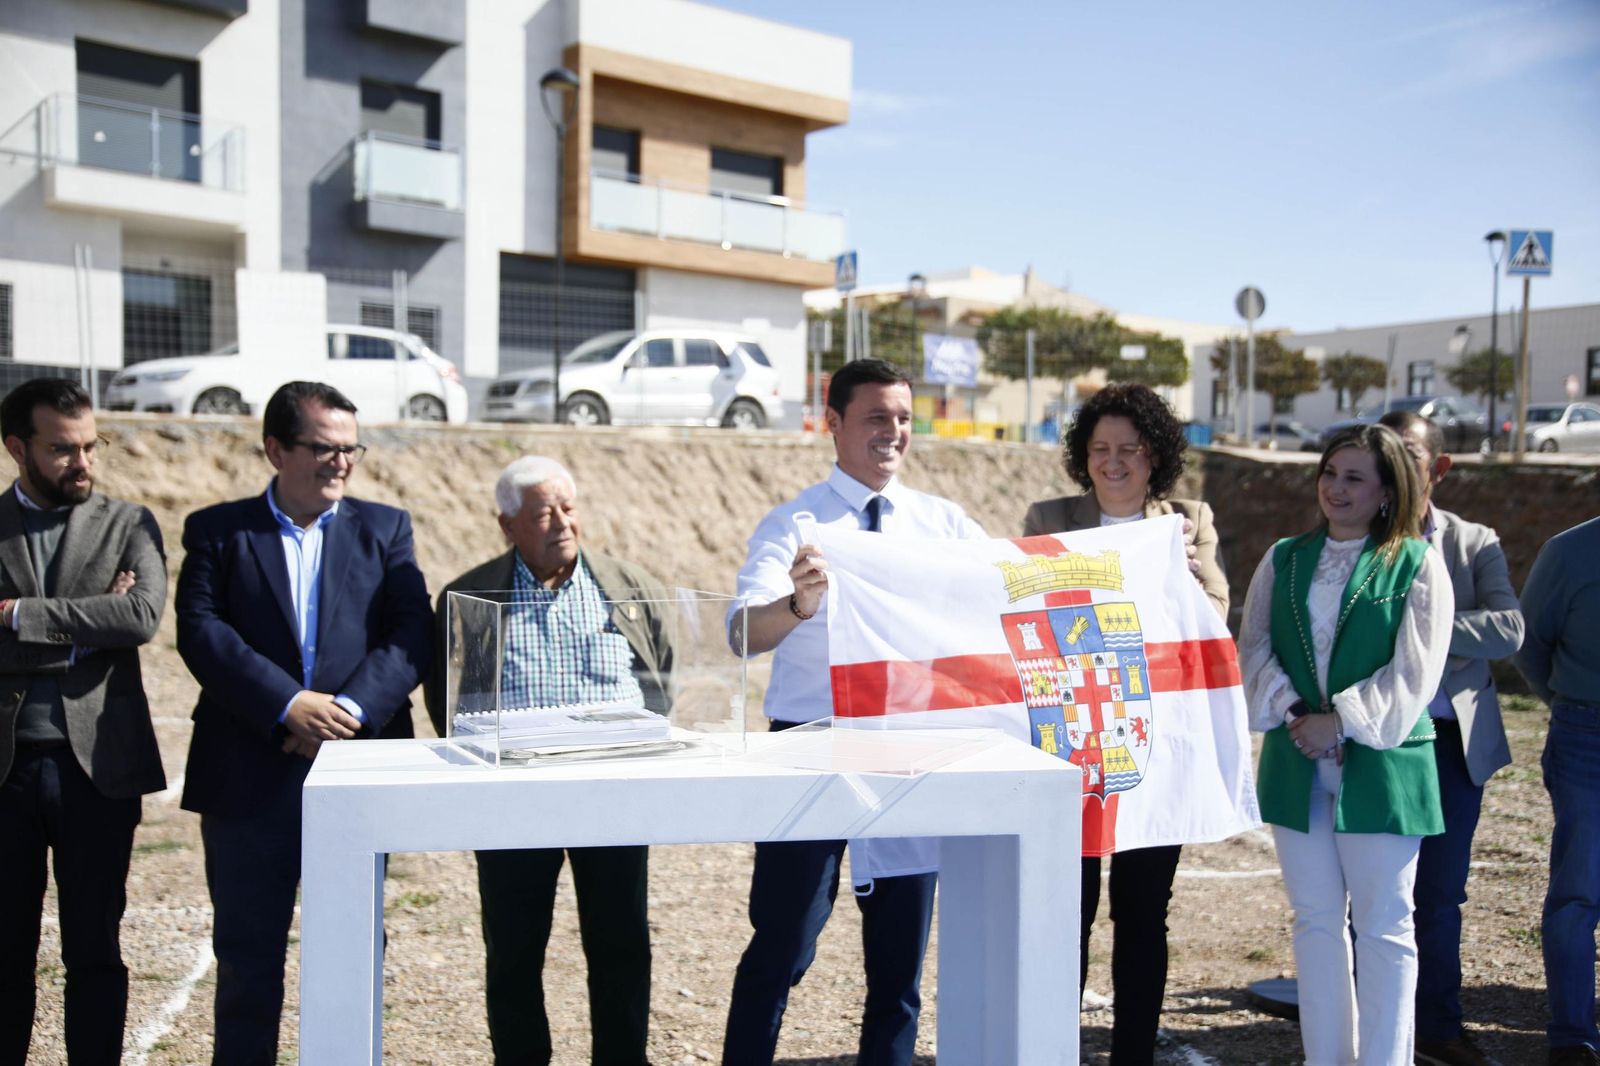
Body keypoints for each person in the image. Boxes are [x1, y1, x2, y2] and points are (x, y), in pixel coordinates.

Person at [721, 358, 985, 1066]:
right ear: (832, 423)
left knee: (899, 965)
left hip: (909, 750)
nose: (892, 431)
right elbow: (742, 632)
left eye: (903, 418)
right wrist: (798, 604)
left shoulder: (944, 524)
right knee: (783, 944)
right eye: (875, 417)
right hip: (810, 747)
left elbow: (1010, 593)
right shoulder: (794, 525)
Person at [176, 381, 431, 1066]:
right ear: (276, 450)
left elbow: (412, 632)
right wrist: (288, 705)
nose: (341, 462)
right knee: (246, 959)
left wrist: (342, 714)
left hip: (355, 771)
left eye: (351, 449)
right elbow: (202, 633)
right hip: (246, 774)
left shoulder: (387, 529)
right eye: (323, 448)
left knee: (353, 951)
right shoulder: (218, 531)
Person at [424, 455, 673, 1066]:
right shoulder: (468, 595)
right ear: (507, 525)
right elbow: (444, 696)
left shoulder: (627, 585)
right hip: (513, 798)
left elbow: (662, 676)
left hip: (611, 794)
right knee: (514, 949)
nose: (561, 523)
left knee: (620, 944)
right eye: (542, 513)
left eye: (568, 507)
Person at [1021, 382, 1226, 1065]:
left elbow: (1216, 618)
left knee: (1142, 912)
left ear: (1156, 455)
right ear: (1083, 456)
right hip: (1071, 742)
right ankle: (1057, 1050)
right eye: (1099, 449)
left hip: (1151, 746)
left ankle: (1132, 1055)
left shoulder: (1189, 520)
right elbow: (1022, 613)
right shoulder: (1049, 517)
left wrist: (1187, 582)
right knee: (1067, 910)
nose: (1113, 462)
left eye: (1129, 450)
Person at [1239, 423, 1452, 1066]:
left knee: (1385, 925)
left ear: (1387, 490)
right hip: (1296, 760)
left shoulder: (1417, 563)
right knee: (1314, 920)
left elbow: (1415, 672)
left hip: (1383, 765)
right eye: (1329, 473)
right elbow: (1254, 648)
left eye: (1354, 477)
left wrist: (1342, 722)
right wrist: (1298, 714)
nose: (1336, 487)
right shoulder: (1283, 558)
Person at [0, 379, 166, 1066]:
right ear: (17, 448)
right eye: (62, 449)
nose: (83, 463)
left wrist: (17, 616)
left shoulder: (129, 523)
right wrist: (87, 630)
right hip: (6, 771)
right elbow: (111, 621)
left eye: (91, 446)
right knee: (6, 950)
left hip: (99, 766)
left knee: (95, 948)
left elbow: (140, 617)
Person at [1375, 410, 1523, 1066]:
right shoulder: (1354, 538)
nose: (1396, 464)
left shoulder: (1474, 542)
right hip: (1376, 739)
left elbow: (1508, 629)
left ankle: (1435, 1027)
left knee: (1439, 895)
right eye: (1385, 451)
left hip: (1451, 744)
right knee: (1373, 894)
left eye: (1408, 452)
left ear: (1439, 467)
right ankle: (1374, 1025)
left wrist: (1424, 627)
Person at [1515, 517, 1600, 1066]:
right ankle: (1573, 1038)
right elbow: (1529, 644)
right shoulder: (1568, 552)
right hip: (1586, 736)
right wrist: (1570, 705)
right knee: (1578, 891)